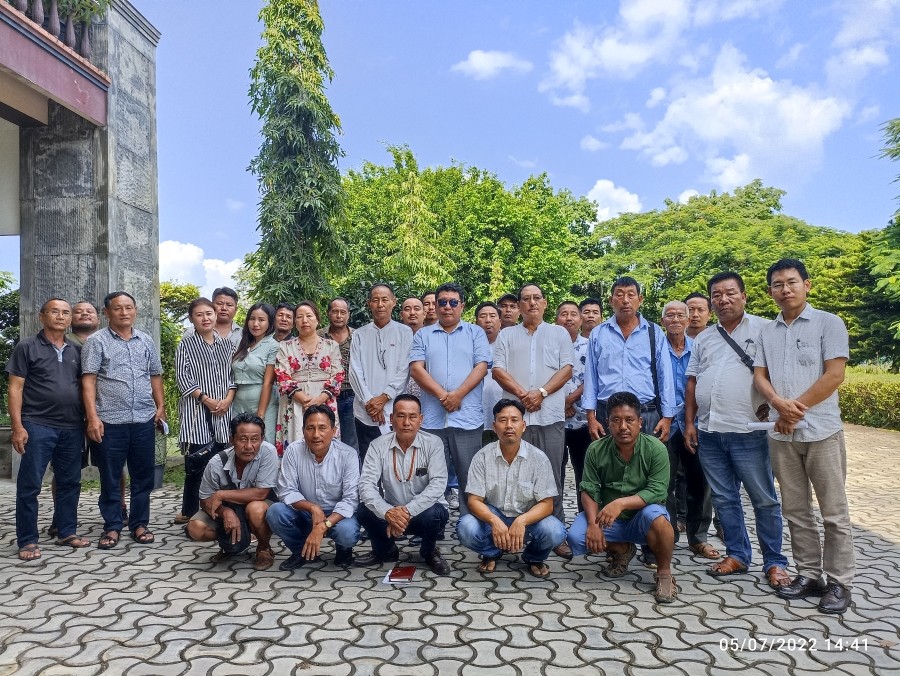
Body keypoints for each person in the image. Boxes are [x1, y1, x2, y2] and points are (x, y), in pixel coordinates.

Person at [753, 258, 855, 614]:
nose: (785, 289)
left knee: (834, 512)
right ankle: (810, 575)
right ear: (771, 292)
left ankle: (840, 581)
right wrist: (778, 404)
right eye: (778, 284)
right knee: (795, 510)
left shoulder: (829, 323)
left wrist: (793, 409)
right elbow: (760, 376)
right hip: (782, 437)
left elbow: (834, 375)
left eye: (792, 282)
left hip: (822, 430)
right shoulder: (767, 331)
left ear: (807, 285)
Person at [684, 272, 790, 589]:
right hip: (710, 432)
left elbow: (780, 375)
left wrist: (776, 408)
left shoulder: (765, 329)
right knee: (724, 499)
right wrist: (690, 422)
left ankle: (774, 562)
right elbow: (692, 381)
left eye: (730, 293)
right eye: (717, 294)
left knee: (764, 500)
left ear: (744, 296)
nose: (723, 299)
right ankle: (738, 555)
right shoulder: (704, 338)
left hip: (750, 432)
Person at [566, 392, 676, 603]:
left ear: (640, 422)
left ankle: (664, 574)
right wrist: (592, 523)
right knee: (576, 536)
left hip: (643, 518)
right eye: (616, 420)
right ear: (607, 423)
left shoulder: (656, 449)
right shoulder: (596, 449)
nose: (623, 426)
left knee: (660, 520)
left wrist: (621, 502)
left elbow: (658, 491)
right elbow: (588, 489)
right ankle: (622, 550)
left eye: (629, 420)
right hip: (609, 519)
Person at [492, 284, 573, 559]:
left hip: (549, 416)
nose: (531, 303)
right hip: (515, 419)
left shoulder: (559, 333)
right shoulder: (506, 335)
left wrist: (541, 393)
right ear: (519, 306)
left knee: (553, 475)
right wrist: (522, 396)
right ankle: (509, 532)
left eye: (537, 298)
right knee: (511, 474)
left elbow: (567, 369)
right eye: (525, 299)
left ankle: (556, 532)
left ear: (545, 302)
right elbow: (498, 370)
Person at [7, 298, 90, 560]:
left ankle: (66, 531)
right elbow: (15, 388)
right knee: (30, 485)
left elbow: (85, 388)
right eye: (54, 312)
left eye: (66, 313)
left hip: (72, 426)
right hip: (37, 424)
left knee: (69, 482)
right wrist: (17, 426)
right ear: (41, 316)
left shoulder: (76, 350)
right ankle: (28, 540)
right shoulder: (27, 347)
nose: (61, 317)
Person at [82, 291, 165, 550]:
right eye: (118, 308)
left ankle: (140, 523)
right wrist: (92, 417)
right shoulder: (96, 342)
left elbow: (155, 375)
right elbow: (88, 380)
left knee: (143, 477)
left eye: (129, 307)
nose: (124, 312)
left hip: (143, 419)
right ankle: (112, 525)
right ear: (107, 312)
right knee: (110, 476)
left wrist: (160, 406)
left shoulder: (145, 340)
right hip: (109, 421)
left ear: (135, 310)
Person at [457, 399, 567, 578]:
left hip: (527, 517)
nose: (509, 425)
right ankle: (492, 552)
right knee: (465, 528)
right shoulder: (482, 457)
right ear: (494, 426)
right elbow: (473, 501)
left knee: (555, 531)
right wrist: (494, 521)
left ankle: (533, 557)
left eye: (514, 420)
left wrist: (521, 521)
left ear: (523, 426)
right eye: (503, 420)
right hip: (494, 515)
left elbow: (547, 504)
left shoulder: (539, 458)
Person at [409, 283, 491, 515]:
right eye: (442, 302)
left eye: (453, 302)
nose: (447, 307)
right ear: (435, 306)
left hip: (467, 418)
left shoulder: (476, 333)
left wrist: (458, 395)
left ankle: (471, 529)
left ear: (462, 306)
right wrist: (443, 396)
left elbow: (482, 367)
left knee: (470, 477)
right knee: (428, 478)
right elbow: (416, 369)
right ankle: (429, 532)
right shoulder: (423, 335)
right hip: (432, 421)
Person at [356, 394, 451, 575]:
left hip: (423, 513)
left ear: (420, 420)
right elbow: (366, 485)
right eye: (400, 416)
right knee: (363, 509)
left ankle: (429, 552)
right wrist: (387, 511)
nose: (406, 422)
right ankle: (386, 550)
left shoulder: (433, 443)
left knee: (435, 514)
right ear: (391, 419)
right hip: (391, 514)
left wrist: (406, 511)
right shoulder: (377, 445)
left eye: (412, 416)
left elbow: (438, 484)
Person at [266, 405, 360, 570]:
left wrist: (323, 526)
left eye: (322, 428)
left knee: (348, 533)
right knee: (275, 512)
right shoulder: (294, 451)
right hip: (305, 512)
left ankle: (344, 550)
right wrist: (313, 508)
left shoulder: (348, 454)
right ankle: (302, 552)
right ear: (303, 430)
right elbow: (286, 490)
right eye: (310, 428)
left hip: (337, 515)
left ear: (334, 430)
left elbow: (351, 499)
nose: (316, 434)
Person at [583, 276, 676, 443]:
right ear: (611, 301)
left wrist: (667, 418)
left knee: (646, 466)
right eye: (619, 295)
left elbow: (665, 376)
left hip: (646, 413)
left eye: (631, 295)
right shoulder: (598, 333)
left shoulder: (654, 333)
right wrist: (591, 417)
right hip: (608, 415)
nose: (625, 300)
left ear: (640, 300)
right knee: (610, 467)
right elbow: (590, 377)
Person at [660, 301, 717, 560]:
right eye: (669, 315)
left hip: (697, 423)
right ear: (662, 321)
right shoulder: (656, 348)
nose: (675, 319)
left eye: (680, 315)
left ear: (687, 320)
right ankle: (667, 534)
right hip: (666, 425)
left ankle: (698, 537)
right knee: (664, 483)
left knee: (700, 482)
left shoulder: (702, 347)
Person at [187, 413, 278, 570]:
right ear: (231, 440)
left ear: (262, 439)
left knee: (256, 509)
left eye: (255, 439)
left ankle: (264, 548)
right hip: (229, 508)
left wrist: (222, 494)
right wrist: (225, 512)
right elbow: (204, 499)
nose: (249, 446)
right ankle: (231, 541)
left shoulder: (268, 452)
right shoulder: (216, 463)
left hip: (258, 506)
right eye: (243, 439)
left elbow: (261, 493)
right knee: (195, 528)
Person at [174, 297, 237, 525]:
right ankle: (191, 513)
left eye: (208, 313)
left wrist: (228, 399)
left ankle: (221, 511)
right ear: (192, 319)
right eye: (199, 315)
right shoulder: (186, 344)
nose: (205, 318)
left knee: (224, 463)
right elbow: (183, 378)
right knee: (197, 466)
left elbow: (233, 376)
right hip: (197, 413)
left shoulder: (227, 345)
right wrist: (206, 399)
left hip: (224, 412)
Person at [348, 284, 414, 460]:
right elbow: (354, 371)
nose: (380, 304)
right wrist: (370, 402)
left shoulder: (405, 332)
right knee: (369, 459)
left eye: (385, 299)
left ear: (394, 302)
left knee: (397, 459)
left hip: (395, 408)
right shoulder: (359, 334)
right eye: (375, 300)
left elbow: (405, 370)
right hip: (365, 411)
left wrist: (383, 398)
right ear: (369, 303)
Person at [274, 301, 344, 455]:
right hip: (294, 403)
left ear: (317, 319)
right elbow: (282, 375)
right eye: (299, 317)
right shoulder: (285, 346)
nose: (304, 320)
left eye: (309, 316)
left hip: (325, 401)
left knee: (324, 445)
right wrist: (305, 400)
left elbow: (337, 376)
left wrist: (318, 401)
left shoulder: (331, 346)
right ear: (294, 322)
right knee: (295, 446)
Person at [556, 300, 590, 513]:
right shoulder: (548, 344)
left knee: (584, 473)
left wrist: (570, 400)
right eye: (563, 314)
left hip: (584, 421)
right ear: (556, 319)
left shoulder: (590, 345)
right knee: (554, 473)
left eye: (573, 314)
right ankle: (555, 523)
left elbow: (594, 378)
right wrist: (561, 402)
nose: (568, 318)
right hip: (554, 419)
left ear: (580, 319)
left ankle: (585, 521)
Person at [231, 302, 279, 445]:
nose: (255, 324)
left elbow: (268, 382)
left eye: (261, 320)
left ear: (270, 323)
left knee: (264, 444)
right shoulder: (242, 344)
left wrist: (261, 414)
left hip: (263, 403)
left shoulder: (273, 346)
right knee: (240, 444)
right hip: (238, 404)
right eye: (252, 319)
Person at [319, 298, 357, 450]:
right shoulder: (319, 336)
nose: (339, 316)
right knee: (326, 441)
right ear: (328, 313)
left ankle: (352, 474)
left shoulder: (358, 336)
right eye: (335, 311)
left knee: (350, 442)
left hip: (351, 396)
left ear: (348, 314)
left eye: (343, 312)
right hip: (325, 396)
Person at [475, 301, 503, 446]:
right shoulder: (470, 345)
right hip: (476, 415)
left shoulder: (507, 345)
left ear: (500, 321)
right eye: (483, 316)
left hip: (503, 414)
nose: (488, 320)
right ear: (475, 321)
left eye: (492, 316)